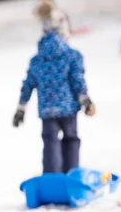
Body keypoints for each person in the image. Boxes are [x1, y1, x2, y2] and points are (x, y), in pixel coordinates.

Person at [13, 32, 95, 174]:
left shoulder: (37, 60)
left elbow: (28, 85)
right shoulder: (71, 55)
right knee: (70, 139)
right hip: (68, 108)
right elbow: (77, 80)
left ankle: (51, 176)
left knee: (50, 141)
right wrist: (85, 100)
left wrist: (21, 107)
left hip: (47, 109)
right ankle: (71, 174)